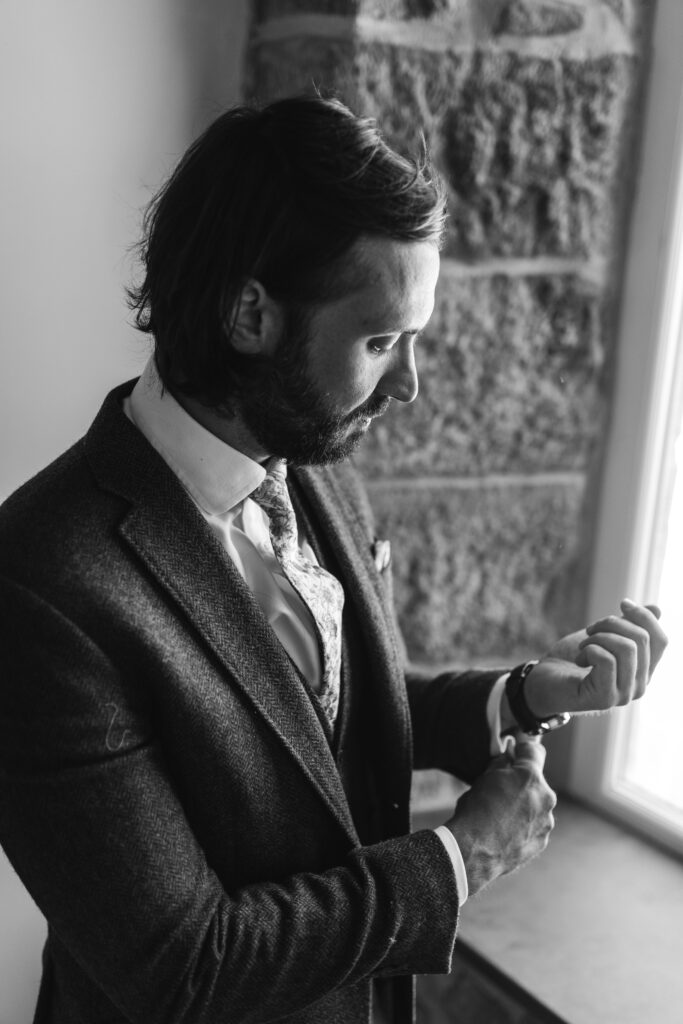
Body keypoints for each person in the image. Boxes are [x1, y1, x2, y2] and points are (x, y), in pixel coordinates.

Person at [0, 95, 667, 1024]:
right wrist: (459, 860)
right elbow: (185, 968)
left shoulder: (311, 457)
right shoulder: (41, 582)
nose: (409, 386)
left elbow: (320, 725)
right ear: (249, 315)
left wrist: (519, 696)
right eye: (381, 340)